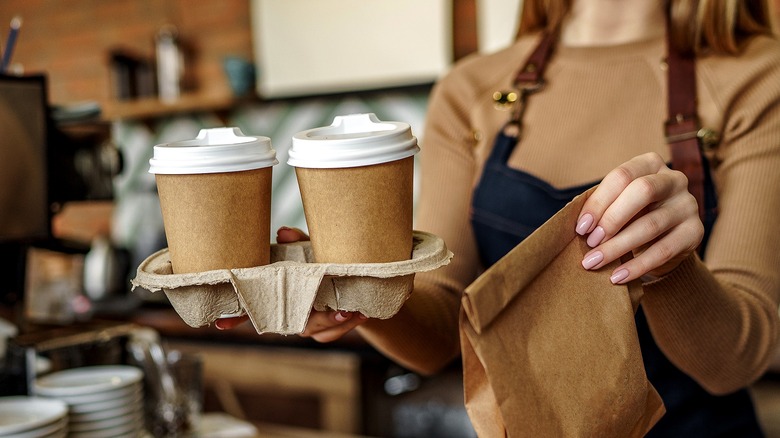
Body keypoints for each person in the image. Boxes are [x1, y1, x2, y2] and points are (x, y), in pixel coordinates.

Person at [219, 0, 780, 434]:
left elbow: (735, 362)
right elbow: (443, 330)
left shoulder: (758, 78)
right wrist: (364, 294)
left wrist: (672, 266)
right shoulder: (471, 90)